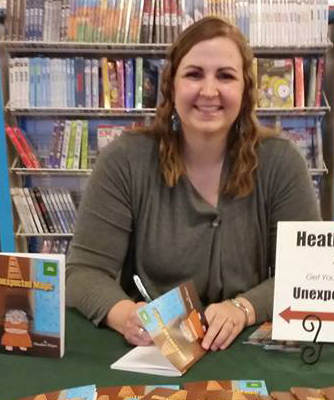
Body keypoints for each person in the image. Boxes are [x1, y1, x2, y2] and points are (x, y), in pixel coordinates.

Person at [66, 17, 320, 352]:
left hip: (246, 348)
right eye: (194, 74)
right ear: (171, 85)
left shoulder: (281, 163)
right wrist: (126, 314)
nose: (209, 91)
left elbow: (306, 276)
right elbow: (83, 272)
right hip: (153, 350)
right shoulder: (124, 160)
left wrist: (243, 309)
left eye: (225, 76)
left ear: (245, 91)